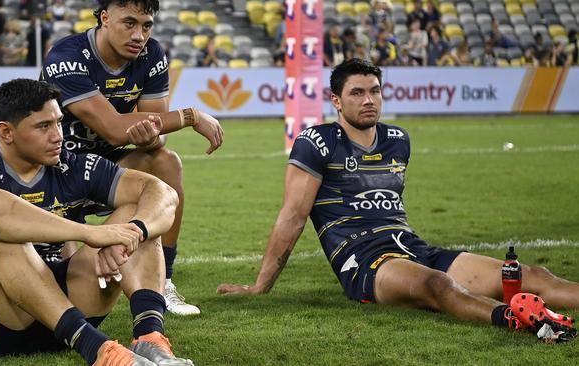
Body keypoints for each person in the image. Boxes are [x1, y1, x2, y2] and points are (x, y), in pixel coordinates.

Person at [217, 59, 579, 344]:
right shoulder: (317, 142)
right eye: (357, 93)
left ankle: (538, 304)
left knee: (531, 274)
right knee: (437, 286)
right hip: (364, 260)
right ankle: (520, 319)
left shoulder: (397, 140)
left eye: (374, 91)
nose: (369, 99)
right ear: (337, 101)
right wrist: (260, 286)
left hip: (411, 246)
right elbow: (293, 216)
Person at [0, 78, 194, 366]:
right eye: (43, 126)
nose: (57, 135)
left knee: (139, 212)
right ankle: (99, 352)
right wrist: (89, 234)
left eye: (59, 123)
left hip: (64, 316)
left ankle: (150, 340)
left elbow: (163, 194)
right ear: (6, 132)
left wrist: (134, 231)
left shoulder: (72, 165)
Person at [41, 0, 224, 316]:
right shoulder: (66, 57)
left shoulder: (152, 55)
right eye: (129, 23)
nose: (139, 34)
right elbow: (113, 129)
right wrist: (192, 115)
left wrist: (151, 135)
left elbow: (158, 133)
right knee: (62, 289)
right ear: (105, 18)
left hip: (110, 170)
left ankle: (163, 280)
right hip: (59, 172)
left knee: (166, 161)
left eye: (146, 25)